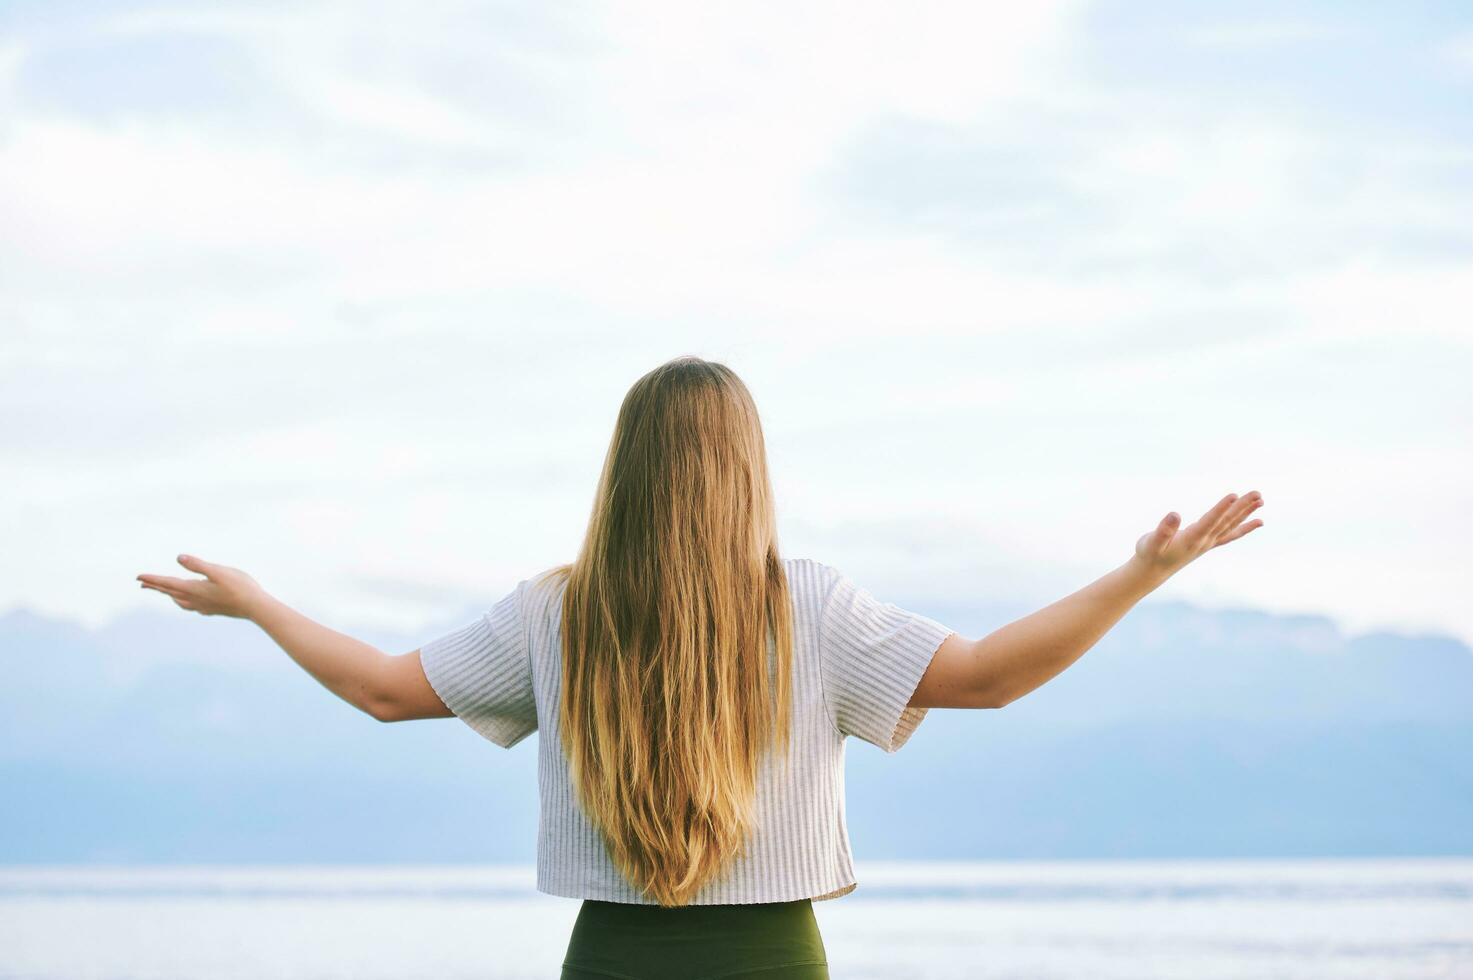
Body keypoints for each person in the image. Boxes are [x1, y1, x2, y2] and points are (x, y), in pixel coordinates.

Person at [136, 355, 1265, 979]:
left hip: (611, 961)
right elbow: (990, 674)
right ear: (745, 470)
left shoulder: (558, 612)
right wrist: (1137, 576)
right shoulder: (811, 605)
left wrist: (256, 603)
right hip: (776, 961)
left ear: (624, 466)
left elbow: (382, 688)